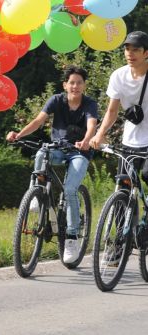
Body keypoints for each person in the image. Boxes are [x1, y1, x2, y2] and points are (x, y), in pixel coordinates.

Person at [6, 65, 99, 264]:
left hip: (79, 153)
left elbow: (92, 125)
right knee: (42, 152)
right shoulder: (56, 100)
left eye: (79, 83)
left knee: (70, 190)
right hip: (58, 148)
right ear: (65, 85)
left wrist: (87, 139)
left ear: (84, 85)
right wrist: (19, 134)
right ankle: (37, 196)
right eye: (71, 82)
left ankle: (72, 237)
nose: (75, 86)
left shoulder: (90, 104)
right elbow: (39, 120)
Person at [90, 31, 148, 266]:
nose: (129, 53)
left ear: (146, 53)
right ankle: (118, 244)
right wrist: (99, 134)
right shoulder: (118, 76)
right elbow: (112, 111)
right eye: (127, 49)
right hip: (129, 142)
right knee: (122, 190)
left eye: (135, 49)